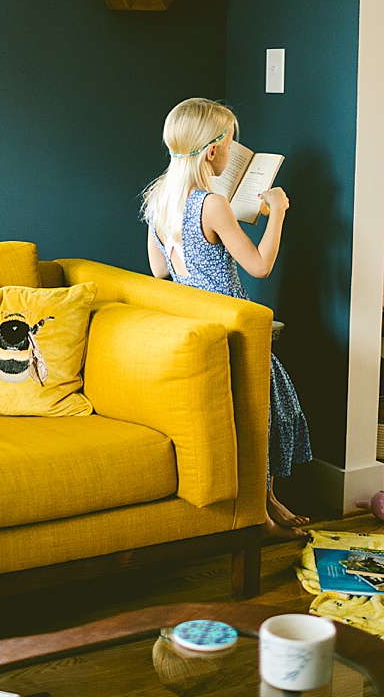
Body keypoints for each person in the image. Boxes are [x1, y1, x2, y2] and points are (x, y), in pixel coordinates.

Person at [142, 97, 314, 540]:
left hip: (198, 324)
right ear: (213, 152)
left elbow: (160, 270)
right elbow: (259, 265)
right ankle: (262, 515)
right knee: (264, 413)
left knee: (255, 412)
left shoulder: (161, 197)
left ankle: (268, 500)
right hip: (234, 325)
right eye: (232, 144)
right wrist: (276, 213)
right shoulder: (210, 203)